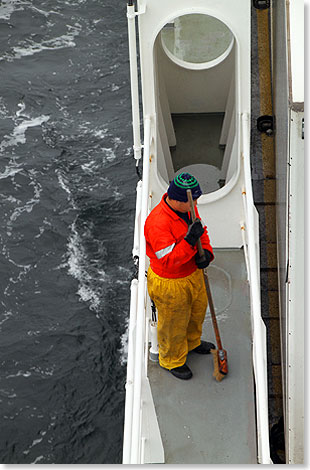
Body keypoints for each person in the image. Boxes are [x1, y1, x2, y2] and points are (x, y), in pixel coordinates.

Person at [144, 172, 215, 380]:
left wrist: (207, 252)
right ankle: (172, 360)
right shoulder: (158, 223)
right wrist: (190, 242)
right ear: (177, 199)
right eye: (193, 200)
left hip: (192, 274)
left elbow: (202, 232)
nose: (197, 204)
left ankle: (192, 342)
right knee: (173, 324)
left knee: (196, 312)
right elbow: (169, 260)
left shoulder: (189, 210)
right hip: (170, 282)